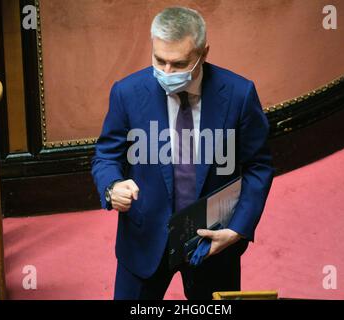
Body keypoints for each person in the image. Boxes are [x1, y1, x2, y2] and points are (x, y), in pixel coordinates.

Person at [92, 6, 274, 300]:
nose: (166, 73)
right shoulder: (126, 93)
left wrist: (238, 229)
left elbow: (258, 166)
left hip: (213, 241)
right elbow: (106, 155)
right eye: (159, 60)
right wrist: (112, 186)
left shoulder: (240, 95)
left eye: (178, 64)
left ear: (203, 53)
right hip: (144, 238)